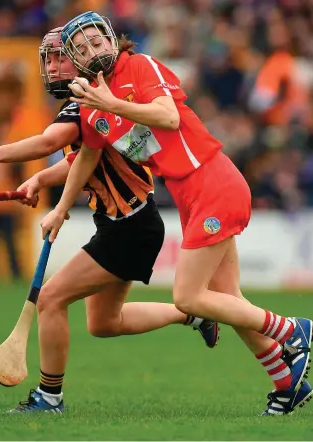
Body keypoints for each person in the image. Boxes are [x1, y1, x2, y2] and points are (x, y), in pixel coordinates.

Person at [39, 12, 313, 416]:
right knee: (224, 299)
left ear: (113, 40)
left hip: (213, 182)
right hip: (191, 197)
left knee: (188, 296)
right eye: (81, 49)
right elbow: (87, 158)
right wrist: (60, 206)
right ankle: (288, 384)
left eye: (97, 41)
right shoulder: (94, 105)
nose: (92, 50)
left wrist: (113, 103)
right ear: (75, 61)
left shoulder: (140, 66)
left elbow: (167, 115)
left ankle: (291, 329)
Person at [0, 27, 218, 414]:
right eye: (49, 58)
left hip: (130, 225)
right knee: (104, 322)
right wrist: (43, 180)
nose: (53, 65)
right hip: (123, 222)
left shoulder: (87, 96)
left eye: (60, 57)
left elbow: (49, 142)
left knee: (50, 299)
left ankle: (49, 397)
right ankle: (193, 314)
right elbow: (82, 159)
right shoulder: (88, 96)